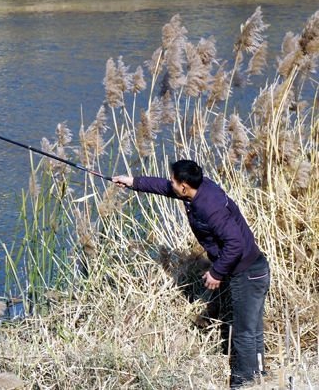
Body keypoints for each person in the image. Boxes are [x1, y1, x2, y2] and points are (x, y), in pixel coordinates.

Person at [113, 160, 270, 388]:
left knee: (245, 333)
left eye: (174, 180)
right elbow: (164, 187)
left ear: (184, 186)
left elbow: (235, 243)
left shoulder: (209, 206)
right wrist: (132, 182)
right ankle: (259, 377)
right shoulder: (196, 190)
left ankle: (244, 384)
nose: (171, 183)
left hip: (247, 273)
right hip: (251, 269)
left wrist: (216, 272)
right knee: (252, 329)